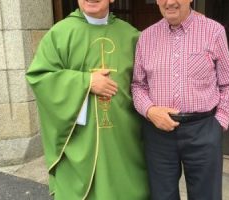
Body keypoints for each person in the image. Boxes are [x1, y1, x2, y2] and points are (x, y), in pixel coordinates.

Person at [26, 0, 149, 199]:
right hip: (81, 138)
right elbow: (40, 77)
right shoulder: (60, 34)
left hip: (125, 138)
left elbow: (148, 83)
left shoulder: (132, 36)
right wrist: (86, 82)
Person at [131, 0, 229, 200]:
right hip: (158, 133)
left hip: (203, 131)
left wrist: (218, 124)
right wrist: (149, 110)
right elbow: (138, 86)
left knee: (206, 196)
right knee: (162, 196)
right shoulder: (146, 37)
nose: (170, 2)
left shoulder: (213, 31)